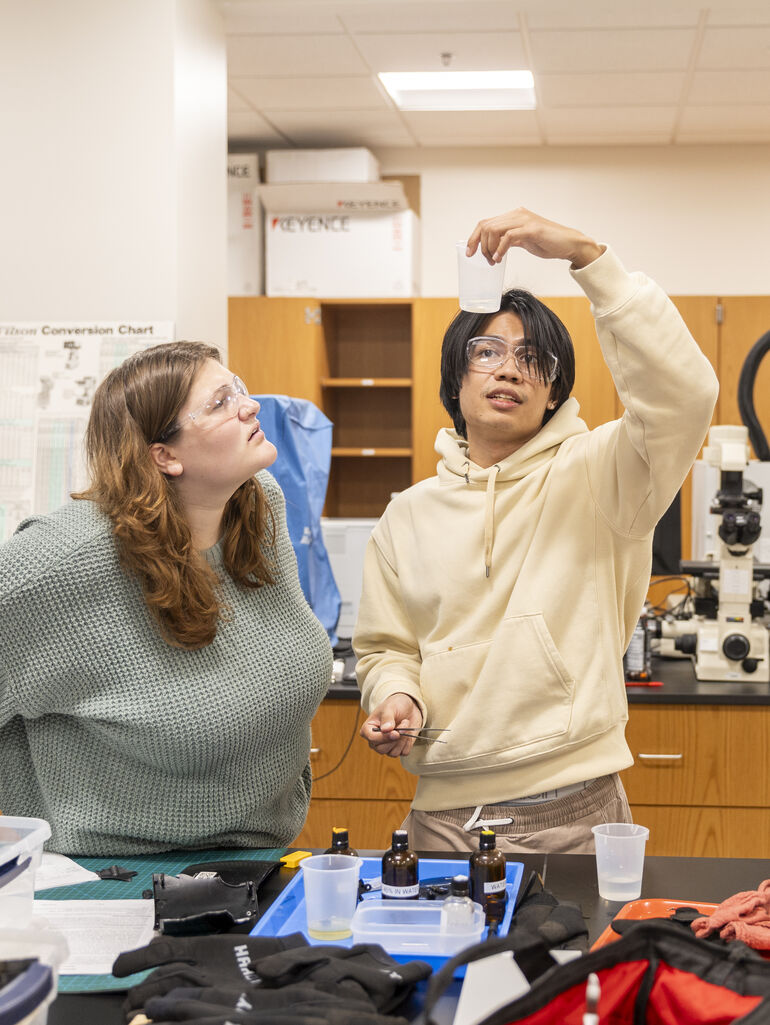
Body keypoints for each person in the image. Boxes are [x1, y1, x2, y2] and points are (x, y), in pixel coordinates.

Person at [355, 208, 719, 854]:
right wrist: (397, 694)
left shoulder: (602, 474)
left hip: (574, 812)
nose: (509, 368)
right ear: (456, 378)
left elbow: (686, 395)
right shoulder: (407, 514)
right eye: (486, 351)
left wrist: (588, 256)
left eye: (533, 358)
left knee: (584, 960)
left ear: (552, 391)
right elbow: (387, 647)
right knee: (441, 963)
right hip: (443, 814)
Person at [0, 342, 332, 856]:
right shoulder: (59, 564)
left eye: (238, 389)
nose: (250, 406)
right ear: (164, 455)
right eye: (221, 402)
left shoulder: (256, 502)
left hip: (254, 861)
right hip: (108, 877)